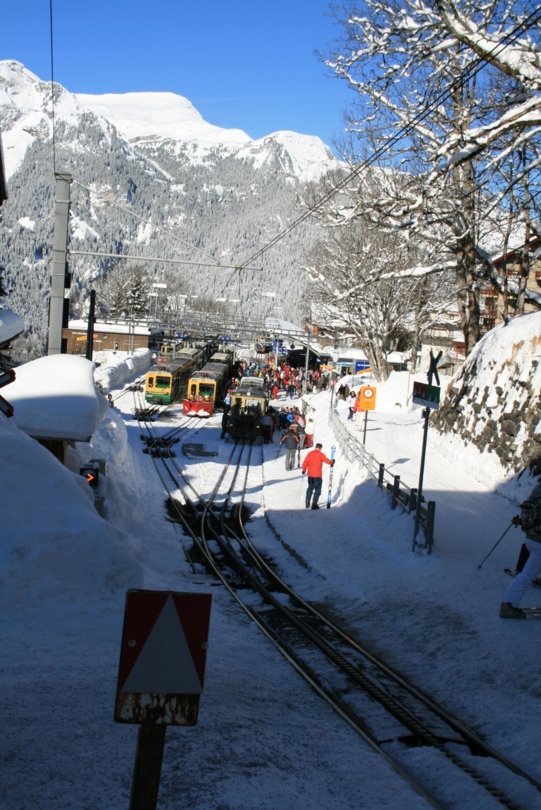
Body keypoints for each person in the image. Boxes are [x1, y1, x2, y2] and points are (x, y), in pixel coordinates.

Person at [500, 479, 541, 618]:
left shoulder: (537, 491)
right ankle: (509, 604)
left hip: (530, 539)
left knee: (530, 571)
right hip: (539, 543)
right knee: (526, 576)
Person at [301, 442, 334, 510]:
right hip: (317, 476)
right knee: (317, 490)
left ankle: (307, 502)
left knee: (310, 488)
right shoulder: (320, 454)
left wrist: (304, 469)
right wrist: (332, 462)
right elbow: (326, 460)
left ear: (315, 447)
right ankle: (314, 504)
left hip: (310, 475)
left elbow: (305, 462)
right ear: (320, 448)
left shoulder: (310, 453)